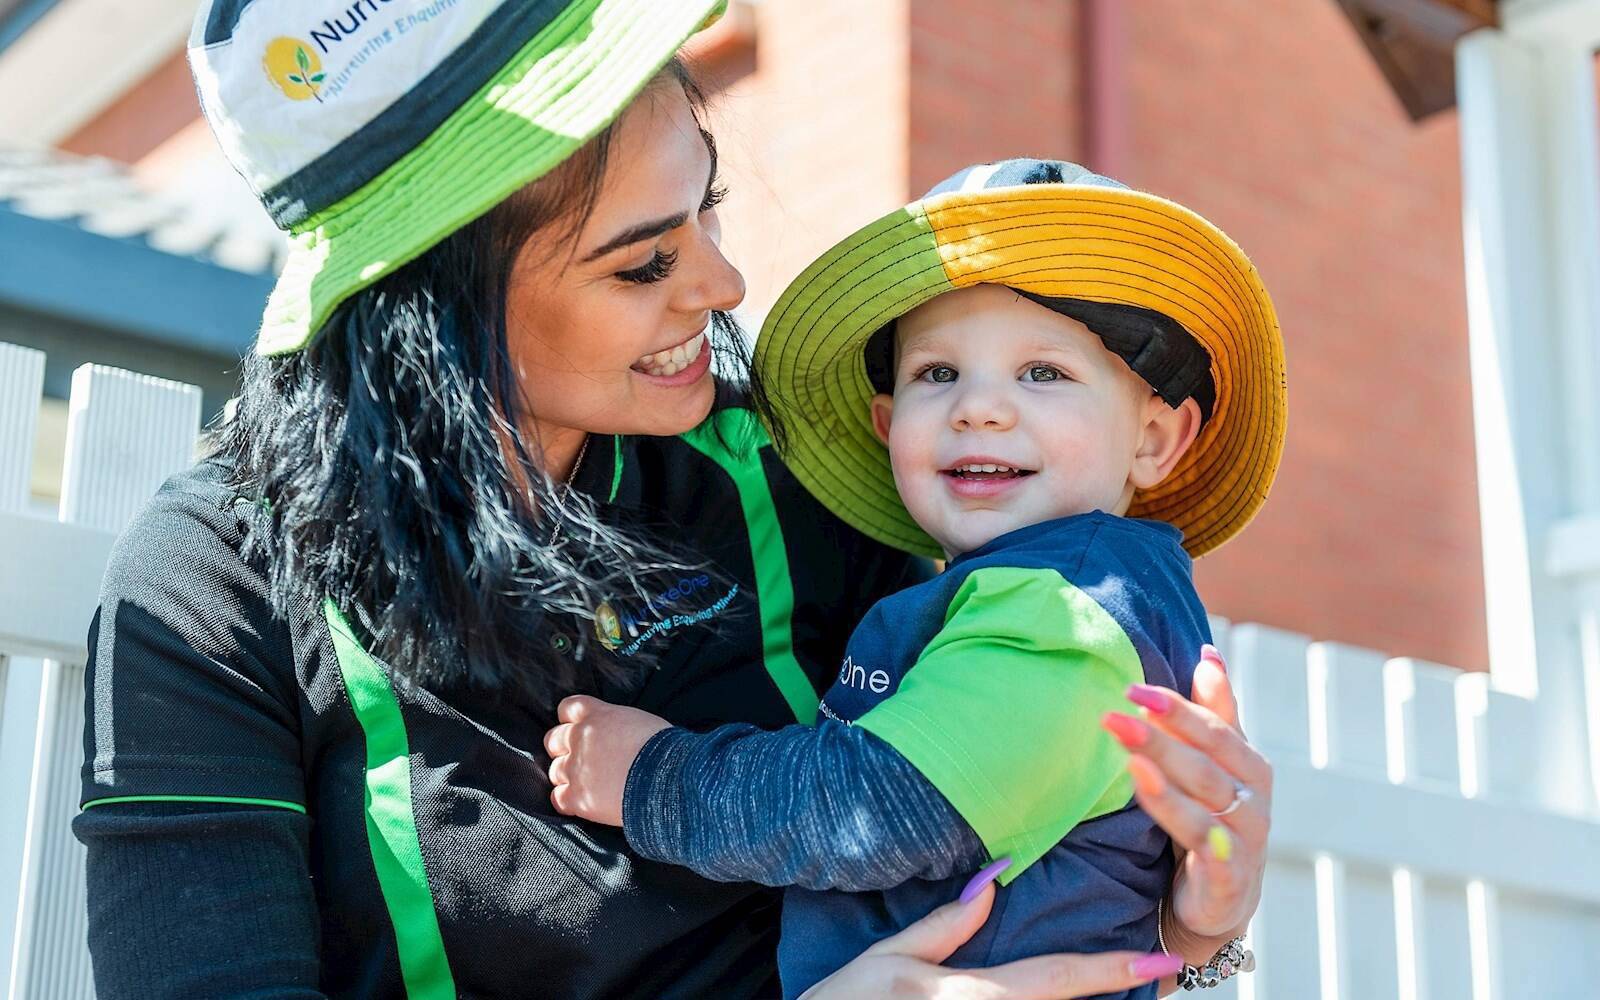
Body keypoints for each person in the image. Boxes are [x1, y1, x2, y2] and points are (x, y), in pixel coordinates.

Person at [73, 2, 1271, 997]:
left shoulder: (803, 488)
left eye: (709, 208)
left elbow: (987, 818)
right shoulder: (209, 592)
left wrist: (1193, 927)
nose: (724, 281)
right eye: (642, 261)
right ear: (427, 309)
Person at [544, 159, 1285, 998]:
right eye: (939, 374)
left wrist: (655, 778)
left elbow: (885, 809)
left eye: (1044, 372)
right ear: (890, 427)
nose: (980, 407)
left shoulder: (1071, 607)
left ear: (1155, 439)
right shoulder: (1004, 591)